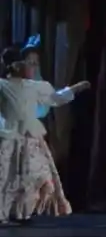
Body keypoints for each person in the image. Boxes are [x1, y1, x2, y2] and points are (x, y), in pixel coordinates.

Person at [0, 45, 88, 224]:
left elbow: (56, 98)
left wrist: (76, 88)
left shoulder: (35, 87)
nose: (31, 67)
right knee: (6, 178)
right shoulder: (2, 86)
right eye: (27, 63)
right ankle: (5, 213)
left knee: (40, 178)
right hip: (9, 139)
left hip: (31, 139)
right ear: (15, 66)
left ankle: (23, 212)